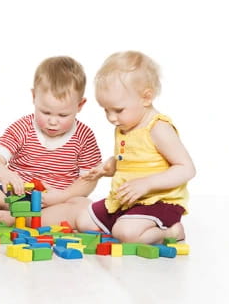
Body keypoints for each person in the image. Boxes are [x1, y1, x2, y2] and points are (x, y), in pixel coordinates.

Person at [0, 56, 102, 234]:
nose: (53, 121)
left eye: (63, 115)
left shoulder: (85, 136)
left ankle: (19, 220)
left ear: (80, 105)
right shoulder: (23, 128)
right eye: (45, 112)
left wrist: (62, 196)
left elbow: (89, 180)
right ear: (34, 97)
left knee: (83, 205)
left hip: (56, 202)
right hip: (18, 195)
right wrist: (3, 173)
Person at [71, 50, 195, 244]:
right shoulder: (125, 126)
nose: (111, 118)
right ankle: (126, 223)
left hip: (158, 201)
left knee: (126, 234)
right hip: (125, 200)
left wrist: (147, 183)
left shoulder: (158, 128)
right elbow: (129, 160)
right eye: (106, 110)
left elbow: (187, 169)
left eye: (118, 110)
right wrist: (107, 168)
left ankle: (170, 232)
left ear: (146, 98)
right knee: (83, 221)